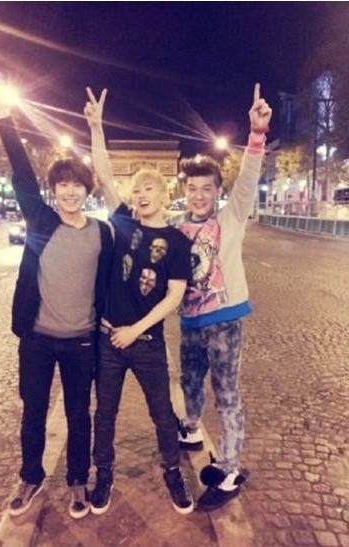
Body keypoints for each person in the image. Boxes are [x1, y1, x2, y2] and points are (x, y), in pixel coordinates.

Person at [0, 85, 113, 520]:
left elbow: (114, 281)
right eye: (63, 185)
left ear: (87, 190)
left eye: (77, 185)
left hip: (81, 342)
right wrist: (3, 117)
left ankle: (78, 479)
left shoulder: (101, 233)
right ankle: (31, 476)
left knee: (80, 416)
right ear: (54, 190)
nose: (70, 192)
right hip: (37, 340)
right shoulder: (40, 220)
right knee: (33, 413)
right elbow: (22, 173)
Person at [84, 88, 194, 515]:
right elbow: (103, 174)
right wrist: (96, 127)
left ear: (164, 193)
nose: (141, 194)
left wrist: (137, 330)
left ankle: (172, 471)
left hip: (146, 342)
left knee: (163, 414)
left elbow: (175, 295)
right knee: (104, 414)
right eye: (136, 189)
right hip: (109, 338)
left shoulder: (177, 241)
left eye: (149, 188)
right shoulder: (123, 222)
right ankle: (104, 474)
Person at [172, 83, 272, 510]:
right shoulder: (176, 228)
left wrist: (256, 134)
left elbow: (247, 180)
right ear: (185, 191)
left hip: (225, 319)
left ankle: (229, 469)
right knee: (190, 382)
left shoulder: (231, 218)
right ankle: (191, 428)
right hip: (189, 321)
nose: (199, 195)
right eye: (193, 188)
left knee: (227, 393)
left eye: (207, 189)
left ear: (217, 191)